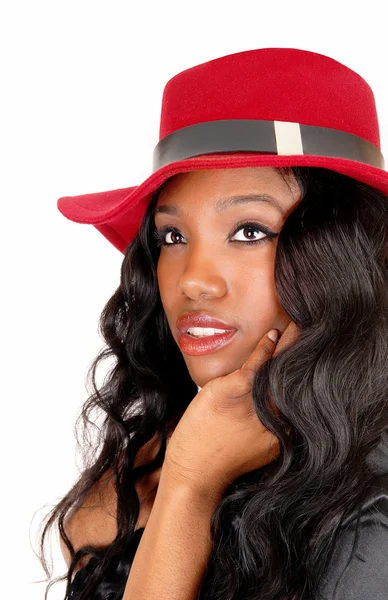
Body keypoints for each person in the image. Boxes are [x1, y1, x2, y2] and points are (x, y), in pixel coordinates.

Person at [37, 47, 388, 600]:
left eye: (250, 231)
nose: (194, 281)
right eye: (172, 237)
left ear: (346, 256)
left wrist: (190, 486)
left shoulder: (368, 526)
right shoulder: (163, 443)